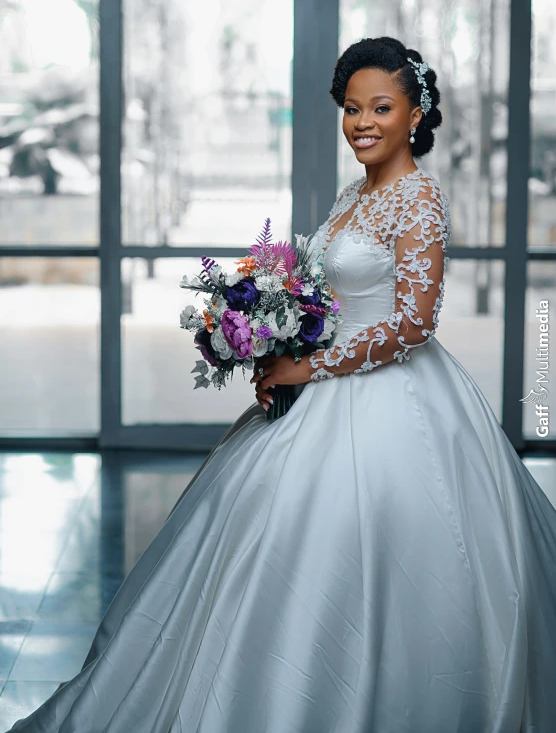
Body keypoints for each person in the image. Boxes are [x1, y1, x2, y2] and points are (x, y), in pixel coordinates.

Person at [9, 36, 556, 733]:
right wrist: (278, 340)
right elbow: (329, 291)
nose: (362, 122)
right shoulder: (356, 191)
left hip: (401, 398)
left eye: (381, 108)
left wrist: (308, 364)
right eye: (351, 108)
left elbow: (415, 322)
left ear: (415, 113)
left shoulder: (419, 199)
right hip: (325, 377)